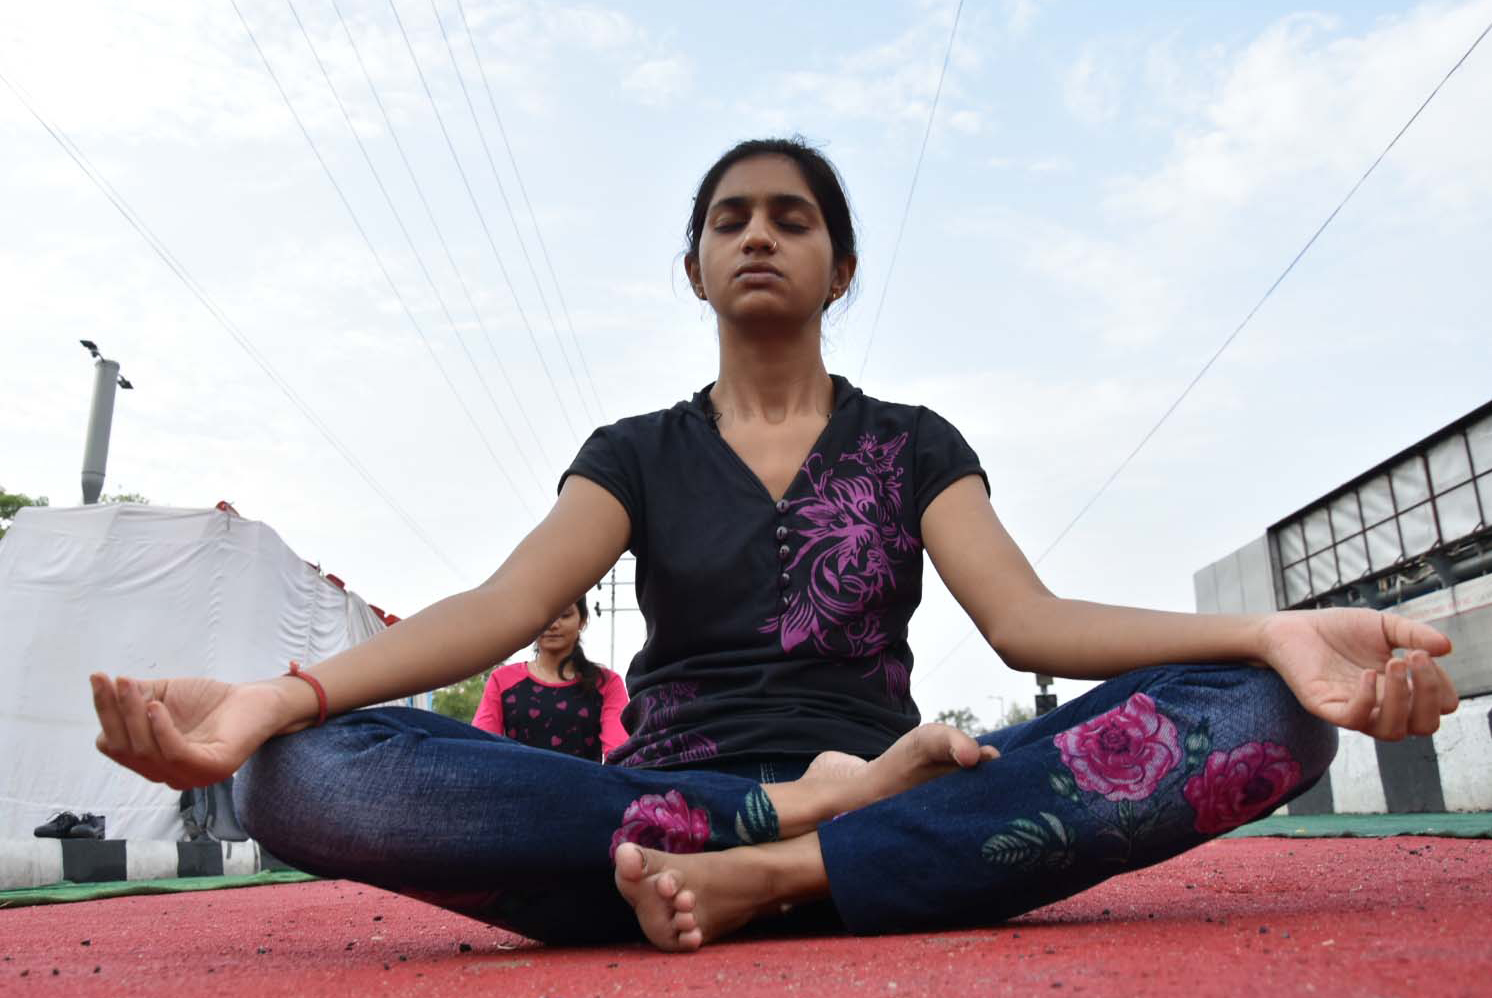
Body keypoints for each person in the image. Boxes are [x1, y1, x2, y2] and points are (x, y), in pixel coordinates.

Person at [89, 137, 1458, 953]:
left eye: (790, 217)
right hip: (654, 816)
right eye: (729, 219)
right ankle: (775, 832)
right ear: (693, 266)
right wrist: (275, 698)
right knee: (292, 772)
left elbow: (1030, 624)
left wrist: (1271, 632)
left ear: (838, 269)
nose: (756, 234)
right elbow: (502, 605)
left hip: (889, 794)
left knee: (1272, 712)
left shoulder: (909, 440)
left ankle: (785, 867)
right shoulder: (635, 450)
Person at [470, 598, 628, 762]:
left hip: (583, 779)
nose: (553, 625)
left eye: (565, 615)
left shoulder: (606, 683)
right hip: (515, 779)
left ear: (582, 620)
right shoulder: (502, 680)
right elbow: (481, 750)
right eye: (546, 616)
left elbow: (620, 754)